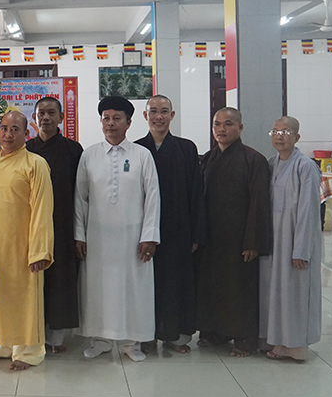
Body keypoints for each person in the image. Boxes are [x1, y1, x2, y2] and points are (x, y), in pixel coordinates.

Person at [75, 96, 160, 362]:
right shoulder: (89, 154)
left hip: (133, 238)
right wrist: (79, 234)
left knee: (132, 288)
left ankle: (130, 342)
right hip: (97, 237)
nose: (110, 124)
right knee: (97, 288)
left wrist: (150, 236)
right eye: (106, 118)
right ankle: (99, 339)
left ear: (129, 122)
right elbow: (80, 198)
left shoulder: (141, 155)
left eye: (116, 118)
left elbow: (153, 197)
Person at [0, 110, 54, 371]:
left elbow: (43, 209)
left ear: (26, 134)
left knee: (24, 296)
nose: (8, 134)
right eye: (4, 129)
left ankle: (29, 351)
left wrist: (40, 250)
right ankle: (3, 344)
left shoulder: (35, 164)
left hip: (23, 244)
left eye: (15, 129)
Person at [196, 107, 271, 357]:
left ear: (240, 128)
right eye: (217, 124)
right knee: (212, 285)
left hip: (240, 238)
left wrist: (252, 241)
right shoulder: (207, 158)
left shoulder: (253, 160)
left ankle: (244, 338)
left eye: (228, 124)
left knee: (240, 288)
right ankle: (214, 332)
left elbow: (259, 203)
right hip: (212, 237)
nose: (221, 129)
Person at [135, 95, 205, 354]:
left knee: (175, 283)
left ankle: (175, 337)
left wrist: (196, 232)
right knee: (147, 283)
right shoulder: (137, 149)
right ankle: (146, 335)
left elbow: (196, 193)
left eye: (164, 111)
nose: (159, 116)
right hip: (143, 230)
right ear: (145, 116)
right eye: (153, 111)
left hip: (178, 230)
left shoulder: (187, 149)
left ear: (172, 115)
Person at [259, 116, 322, 361]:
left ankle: (296, 346)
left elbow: (308, 212)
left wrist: (301, 250)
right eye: (274, 131)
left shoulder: (305, 166)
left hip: (295, 242)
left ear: (297, 137)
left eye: (285, 132)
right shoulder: (271, 164)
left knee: (295, 293)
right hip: (275, 242)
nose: (279, 136)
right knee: (276, 293)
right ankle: (277, 341)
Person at [26, 96, 83, 353]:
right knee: (33, 281)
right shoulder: (25, 149)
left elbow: (81, 193)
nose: (46, 118)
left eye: (51, 113)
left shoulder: (73, 150)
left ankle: (57, 338)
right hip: (30, 226)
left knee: (60, 280)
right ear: (33, 119)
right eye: (41, 114)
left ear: (61, 118)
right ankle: (32, 334)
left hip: (62, 224)